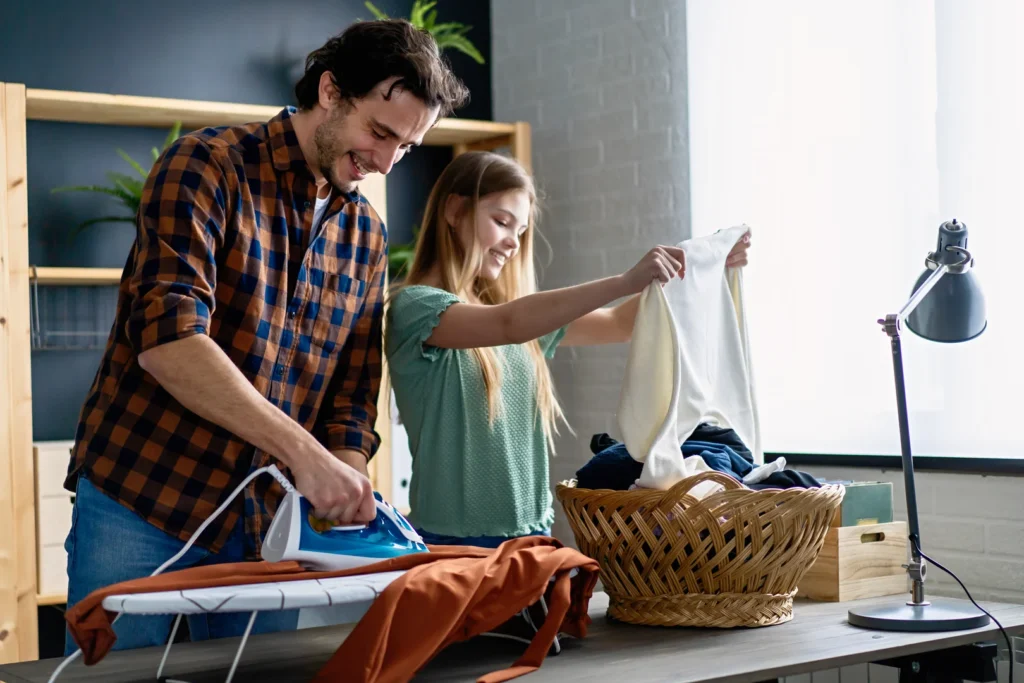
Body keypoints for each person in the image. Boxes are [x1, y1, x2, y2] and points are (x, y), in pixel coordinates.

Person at [61, 19, 469, 654]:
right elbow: (170, 340)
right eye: (380, 132)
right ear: (331, 92)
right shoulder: (205, 166)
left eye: (408, 148)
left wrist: (345, 482)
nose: (387, 162)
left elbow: (352, 398)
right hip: (143, 500)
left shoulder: (365, 235)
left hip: (267, 528)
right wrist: (308, 459)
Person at [384, 151, 751, 547]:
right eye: (502, 221)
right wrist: (624, 280)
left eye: (521, 231)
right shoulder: (415, 308)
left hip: (533, 538)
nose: (512, 242)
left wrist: (704, 266)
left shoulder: (519, 318)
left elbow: (619, 323)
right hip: (454, 544)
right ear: (454, 210)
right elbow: (509, 324)